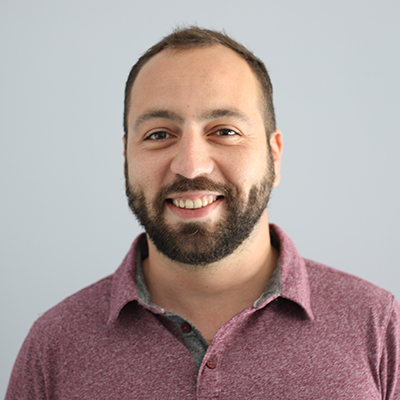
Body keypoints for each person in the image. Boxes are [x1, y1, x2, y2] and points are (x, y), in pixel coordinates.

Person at [6, 27, 400, 399]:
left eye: (224, 131)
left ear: (274, 155)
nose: (191, 166)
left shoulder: (380, 325)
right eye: (159, 135)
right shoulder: (54, 345)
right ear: (126, 158)